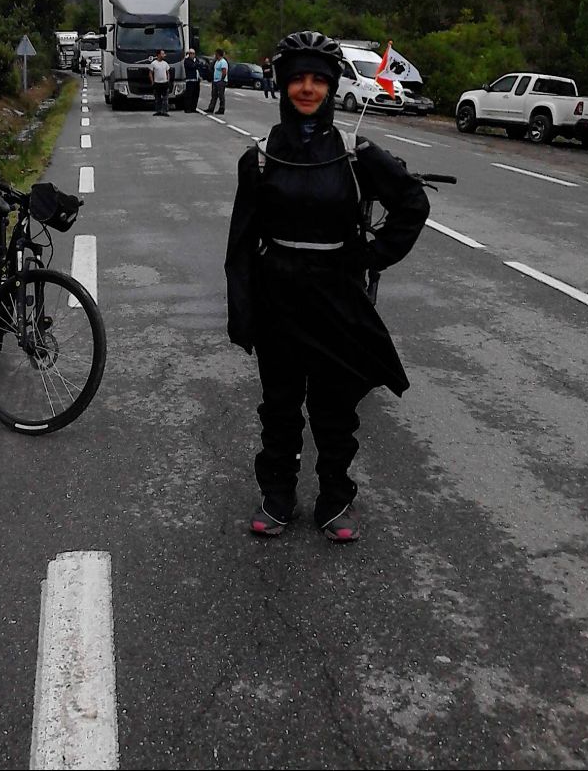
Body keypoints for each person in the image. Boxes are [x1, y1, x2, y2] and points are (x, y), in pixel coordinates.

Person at [225, 30, 430, 542]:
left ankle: (336, 499)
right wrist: (242, 311)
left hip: (338, 298)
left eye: (319, 79)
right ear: (283, 85)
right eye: (298, 79)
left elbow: (412, 203)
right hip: (279, 299)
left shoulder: (355, 153)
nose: (308, 89)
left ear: (333, 87)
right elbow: (241, 243)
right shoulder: (259, 158)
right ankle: (278, 496)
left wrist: (373, 254)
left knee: (334, 409)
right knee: (280, 404)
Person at [205, 48, 228, 114]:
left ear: (218, 54)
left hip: (220, 81)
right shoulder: (217, 61)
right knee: (214, 95)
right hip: (215, 80)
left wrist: (221, 80)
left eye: (216, 54)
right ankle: (211, 108)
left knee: (221, 95)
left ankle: (221, 108)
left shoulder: (223, 62)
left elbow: (224, 71)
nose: (215, 55)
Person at [150, 49, 172, 116]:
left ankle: (165, 111)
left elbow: (168, 72)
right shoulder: (153, 63)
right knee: (157, 98)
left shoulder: (165, 63)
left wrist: (168, 81)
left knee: (165, 98)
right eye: (162, 54)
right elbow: (150, 73)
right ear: (158, 55)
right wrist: (152, 82)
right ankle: (158, 111)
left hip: (164, 83)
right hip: (157, 83)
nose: (164, 55)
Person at [183, 49, 203, 113]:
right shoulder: (187, 61)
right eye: (191, 53)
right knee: (189, 95)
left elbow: (199, 66)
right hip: (190, 80)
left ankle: (193, 108)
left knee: (195, 95)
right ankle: (187, 108)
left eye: (193, 53)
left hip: (196, 80)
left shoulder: (196, 60)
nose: (192, 55)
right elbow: (192, 66)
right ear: (189, 54)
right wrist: (197, 64)